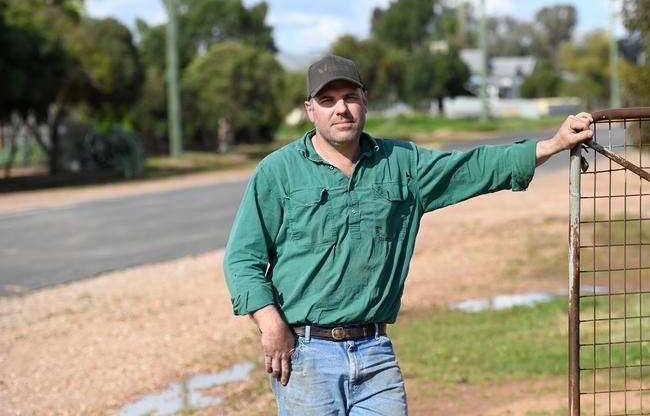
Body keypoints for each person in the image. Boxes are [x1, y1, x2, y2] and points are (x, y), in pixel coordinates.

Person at [223, 54, 593, 415]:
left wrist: (553, 144)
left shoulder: (401, 163)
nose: (341, 109)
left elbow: (472, 168)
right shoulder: (278, 172)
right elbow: (242, 258)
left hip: (375, 351)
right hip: (306, 355)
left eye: (350, 97)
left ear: (365, 101)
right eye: (328, 100)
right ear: (310, 110)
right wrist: (270, 324)